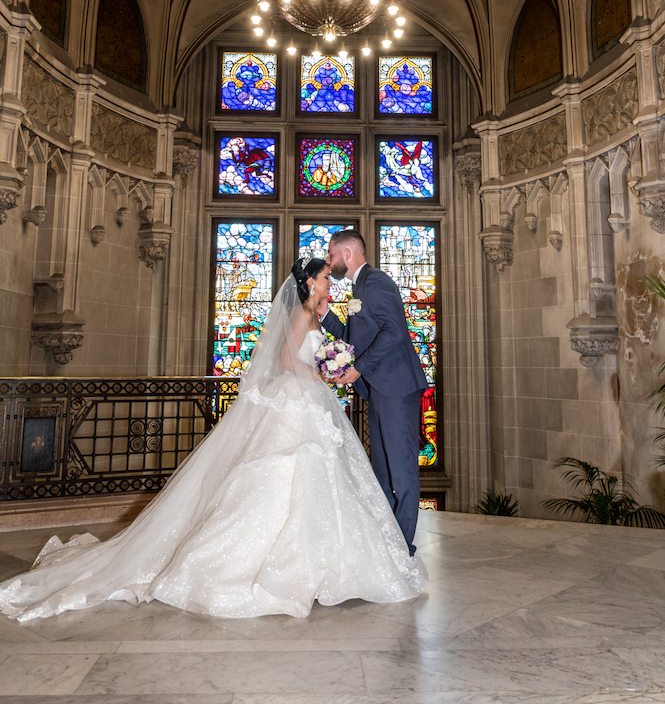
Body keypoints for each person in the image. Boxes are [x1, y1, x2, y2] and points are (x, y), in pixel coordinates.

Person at [0, 258, 426, 623]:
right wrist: (321, 374)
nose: (331, 285)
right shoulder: (300, 314)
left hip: (311, 398)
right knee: (285, 472)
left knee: (319, 476)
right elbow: (283, 359)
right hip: (298, 401)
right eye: (326, 279)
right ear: (311, 282)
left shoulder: (318, 315)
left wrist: (330, 370)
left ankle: (328, 562)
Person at [320, 231, 428, 556]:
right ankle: (387, 542)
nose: (329, 261)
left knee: (402, 470)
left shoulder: (376, 281)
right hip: (378, 390)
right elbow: (357, 340)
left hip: (396, 388)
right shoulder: (359, 287)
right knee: (382, 471)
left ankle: (402, 548)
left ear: (348, 252)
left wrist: (359, 368)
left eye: (331, 254)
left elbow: (395, 331)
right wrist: (326, 316)